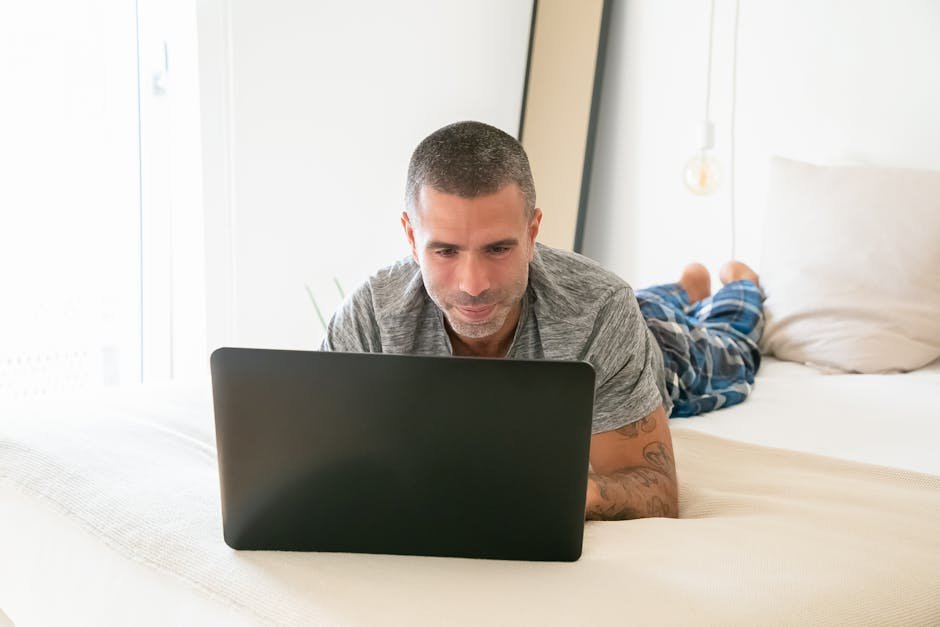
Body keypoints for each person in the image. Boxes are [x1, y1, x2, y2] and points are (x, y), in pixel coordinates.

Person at [321, 121, 764, 521]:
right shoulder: (369, 316)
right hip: (614, 307)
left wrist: (565, 494)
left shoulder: (602, 309)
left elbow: (658, 490)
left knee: (726, 347)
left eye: (498, 249)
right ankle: (687, 285)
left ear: (533, 233)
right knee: (651, 303)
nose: (473, 285)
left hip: (661, 351)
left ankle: (739, 283)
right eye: (445, 251)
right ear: (410, 236)